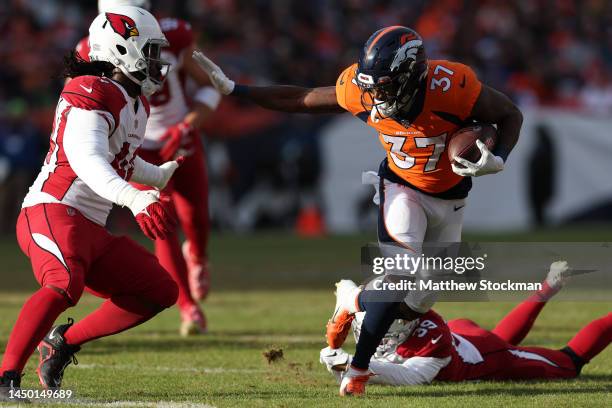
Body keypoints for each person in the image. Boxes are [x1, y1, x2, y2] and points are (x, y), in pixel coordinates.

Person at [193, 25, 523, 395]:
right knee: (399, 279)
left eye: (384, 85)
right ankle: (359, 369)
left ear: (412, 76)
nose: (374, 95)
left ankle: (352, 298)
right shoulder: (361, 90)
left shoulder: (452, 87)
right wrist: (236, 90)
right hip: (401, 189)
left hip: (452, 197)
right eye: (372, 85)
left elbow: (510, 114)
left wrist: (500, 157)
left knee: (423, 298)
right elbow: (303, 99)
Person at [0, 6, 180, 399]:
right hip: (50, 211)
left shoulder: (135, 103)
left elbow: (122, 162)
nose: (156, 62)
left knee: (160, 290)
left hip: (90, 228)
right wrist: (135, 199)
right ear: (121, 49)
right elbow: (87, 159)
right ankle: (5, 379)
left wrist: (158, 175)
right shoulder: (90, 90)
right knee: (64, 283)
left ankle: (62, 343)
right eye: (149, 51)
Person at [74, 0, 219, 336]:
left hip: (180, 139)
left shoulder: (172, 34)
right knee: (161, 223)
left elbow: (212, 83)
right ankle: (188, 308)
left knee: (196, 218)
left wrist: (187, 126)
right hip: (136, 146)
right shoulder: (92, 48)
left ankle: (198, 256)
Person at [320, 262, 611, 386]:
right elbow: (344, 289)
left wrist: (351, 363)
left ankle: (549, 287)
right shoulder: (372, 300)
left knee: (568, 363)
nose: (375, 329)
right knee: (498, 340)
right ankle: (549, 286)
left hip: (479, 354)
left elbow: (407, 377)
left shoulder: (432, 344)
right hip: (464, 333)